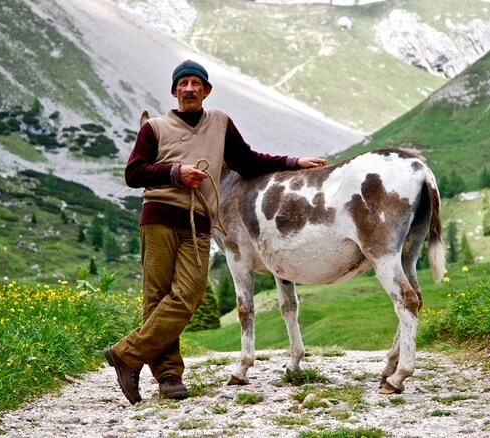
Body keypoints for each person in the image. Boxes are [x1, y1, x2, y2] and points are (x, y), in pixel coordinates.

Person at [104, 59, 326, 404]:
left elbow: (249, 161)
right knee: (158, 298)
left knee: (188, 296)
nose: (189, 89)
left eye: (196, 83)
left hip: (199, 223)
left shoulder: (221, 123)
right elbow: (134, 173)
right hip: (159, 217)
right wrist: (175, 173)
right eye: (183, 84)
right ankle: (168, 376)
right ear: (175, 91)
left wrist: (292, 162)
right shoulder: (155, 129)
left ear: (206, 90)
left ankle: (125, 354)